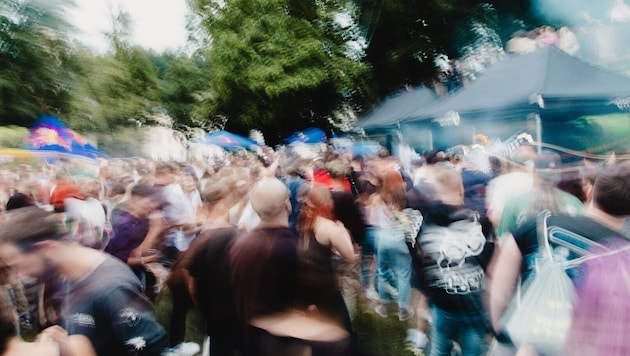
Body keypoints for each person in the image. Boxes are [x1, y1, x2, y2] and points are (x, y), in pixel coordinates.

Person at [488, 160, 630, 355]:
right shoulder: (624, 253)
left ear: (591, 191)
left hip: (524, 338)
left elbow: (499, 286)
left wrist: (501, 334)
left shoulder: (538, 224)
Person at [0, 207, 169, 355]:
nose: (19, 276)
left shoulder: (112, 287)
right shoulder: (66, 274)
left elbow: (152, 349)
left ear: (45, 248)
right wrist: (64, 340)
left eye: (17, 266)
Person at [230, 177, 351, 356]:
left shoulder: (239, 244)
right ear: (287, 205)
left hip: (250, 341)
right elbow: (314, 305)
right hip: (287, 346)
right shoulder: (292, 249)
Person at [408, 164, 494, 356]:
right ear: (460, 188)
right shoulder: (481, 220)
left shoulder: (424, 221)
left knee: (439, 350)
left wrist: (427, 293)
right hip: (475, 304)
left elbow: (419, 264)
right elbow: (491, 262)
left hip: (442, 304)